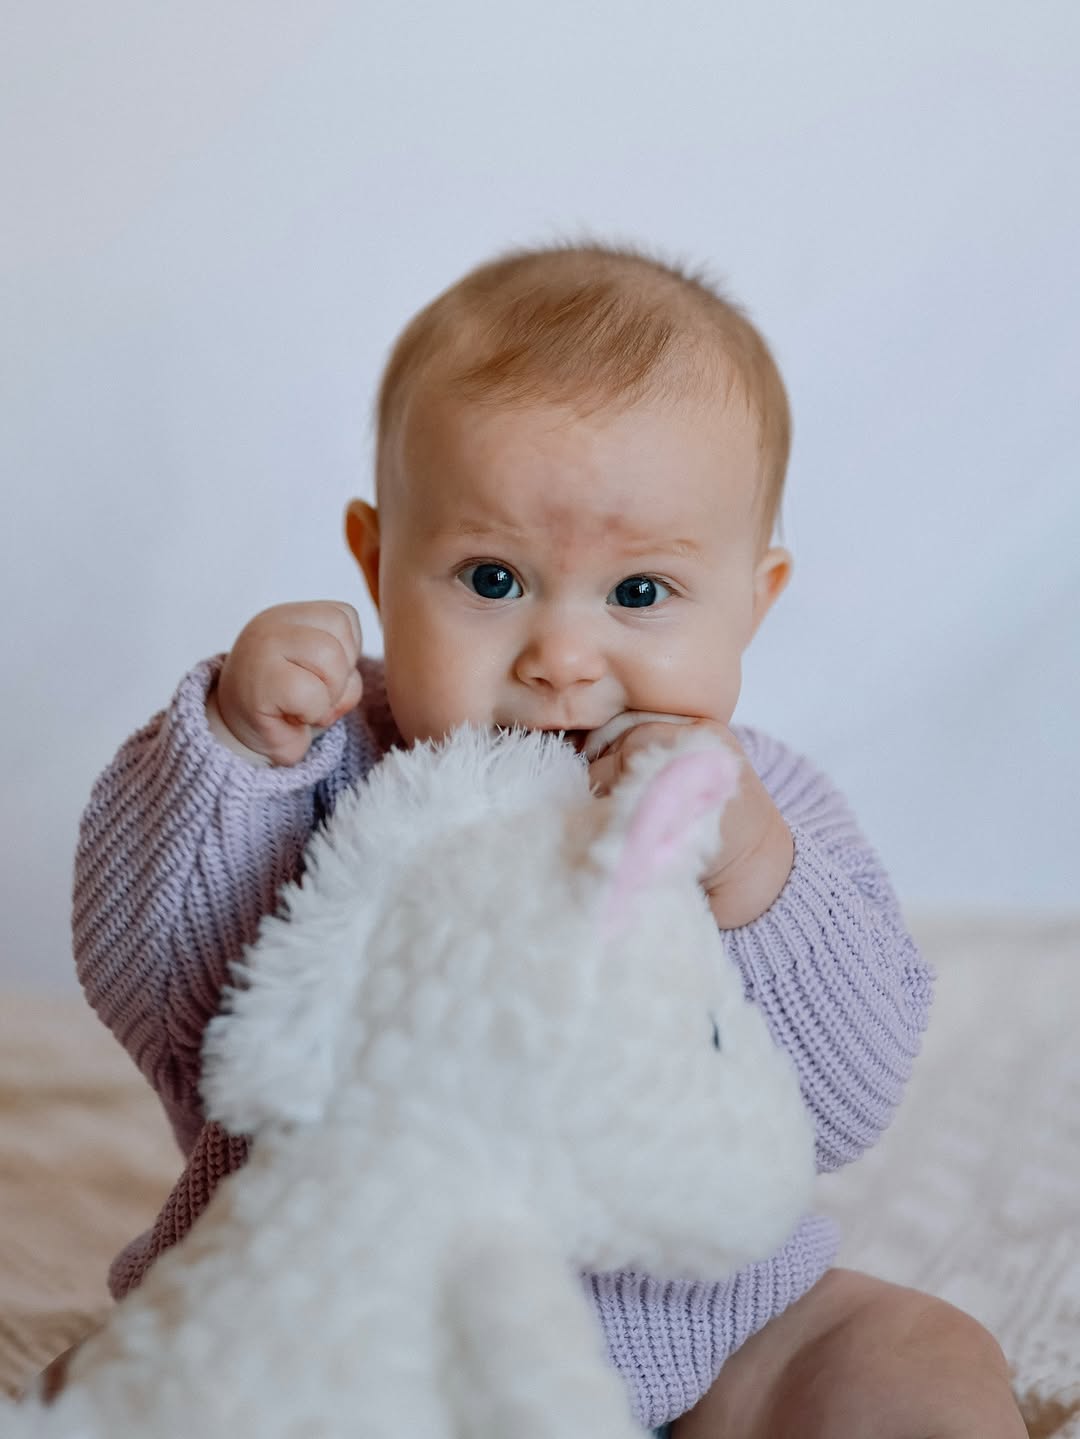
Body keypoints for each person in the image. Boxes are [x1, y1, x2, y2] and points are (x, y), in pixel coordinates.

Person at [71, 243, 1024, 1436]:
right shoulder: (327, 766)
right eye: (491, 576)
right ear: (377, 563)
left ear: (754, 596)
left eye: (639, 594)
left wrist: (749, 873)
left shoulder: (750, 802)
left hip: (703, 1320)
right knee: (183, 1387)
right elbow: (160, 986)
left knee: (910, 1344)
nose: (561, 656)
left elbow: (845, 1098)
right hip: (353, 1314)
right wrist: (230, 748)